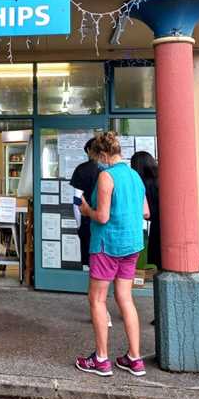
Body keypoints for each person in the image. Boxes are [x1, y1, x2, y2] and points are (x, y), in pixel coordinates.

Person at [75, 131, 149, 378]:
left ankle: (101, 359)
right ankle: (135, 358)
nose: (99, 161)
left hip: (107, 245)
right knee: (125, 298)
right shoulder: (135, 175)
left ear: (104, 154)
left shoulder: (106, 176)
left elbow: (103, 216)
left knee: (97, 299)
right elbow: (146, 211)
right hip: (132, 244)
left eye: (99, 157)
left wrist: (87, 210)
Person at [69, 138, 102, 267]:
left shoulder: (82, 169)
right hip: (107, 221)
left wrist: (78, 224)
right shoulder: (111, 168)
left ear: (89, 150)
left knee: (89, 263)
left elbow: (77, 200)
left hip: (87, 220)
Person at [130, 151, 160, 271]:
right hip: (165, 225)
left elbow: (146, 213)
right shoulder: (160, 180)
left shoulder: (140, 184)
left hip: (156, 226)